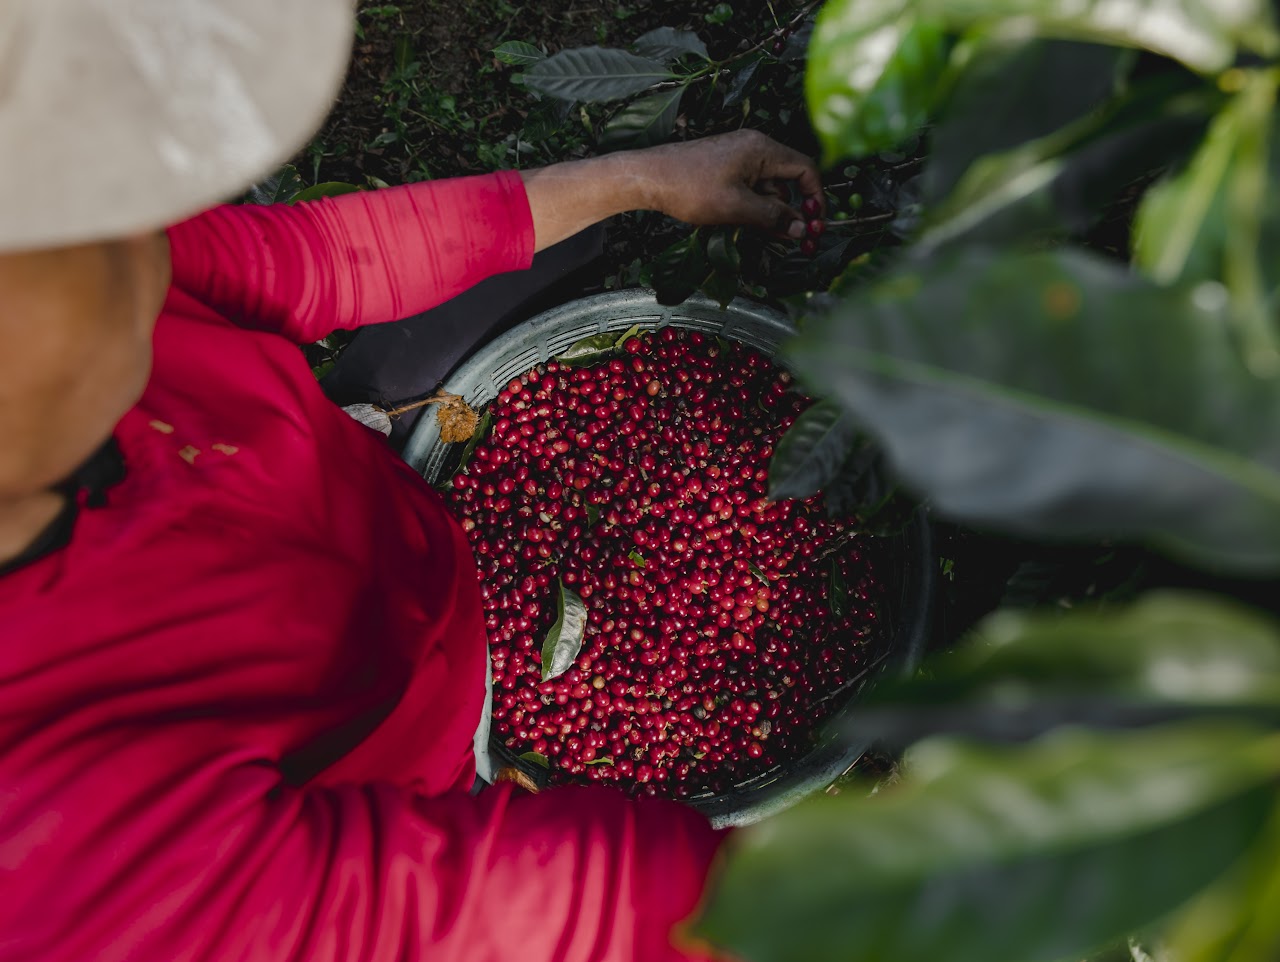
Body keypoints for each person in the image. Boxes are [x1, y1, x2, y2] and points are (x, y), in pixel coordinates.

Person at [0, 1, 822, 959]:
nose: (159, 224)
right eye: (119, 225)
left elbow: (311, 261)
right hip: (398, 764)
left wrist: (636, 178)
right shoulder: (64, 845)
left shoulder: (89, 285)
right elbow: (544, 912)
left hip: (406, 572)